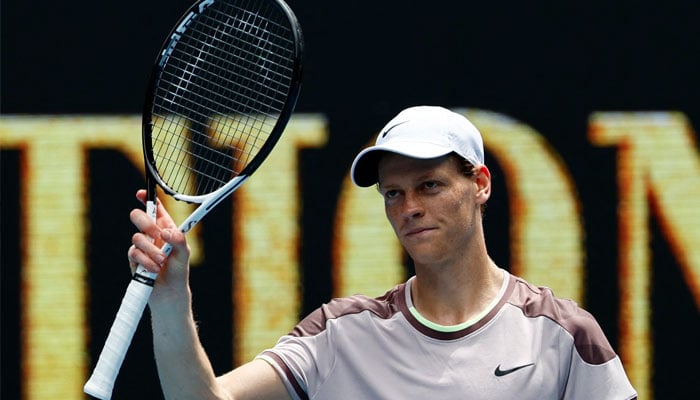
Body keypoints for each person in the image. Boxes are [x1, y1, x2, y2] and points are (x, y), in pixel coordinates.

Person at [128, 106, 637, 399]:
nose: (409, 207)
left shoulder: (563, 337)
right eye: (393, 193)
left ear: (480, 184)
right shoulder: (339, 335)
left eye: (430, 186)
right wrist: (171, 298)